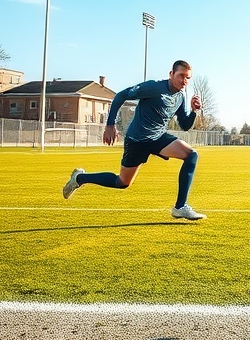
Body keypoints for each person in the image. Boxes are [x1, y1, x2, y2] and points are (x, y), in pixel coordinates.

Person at [62, 60, 206, 220]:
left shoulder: (180, 96)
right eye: (181, 76)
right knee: (122, 182)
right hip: (137, 140)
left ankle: (180, 207)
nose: (184, 81)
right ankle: (80, 178)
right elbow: (121, 95)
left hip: (158, 137)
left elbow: (185, 125)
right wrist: (110, 125)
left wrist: (194, 111)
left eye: (188, 78)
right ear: (171, 74)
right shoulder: (153, 87)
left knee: (191, 155)